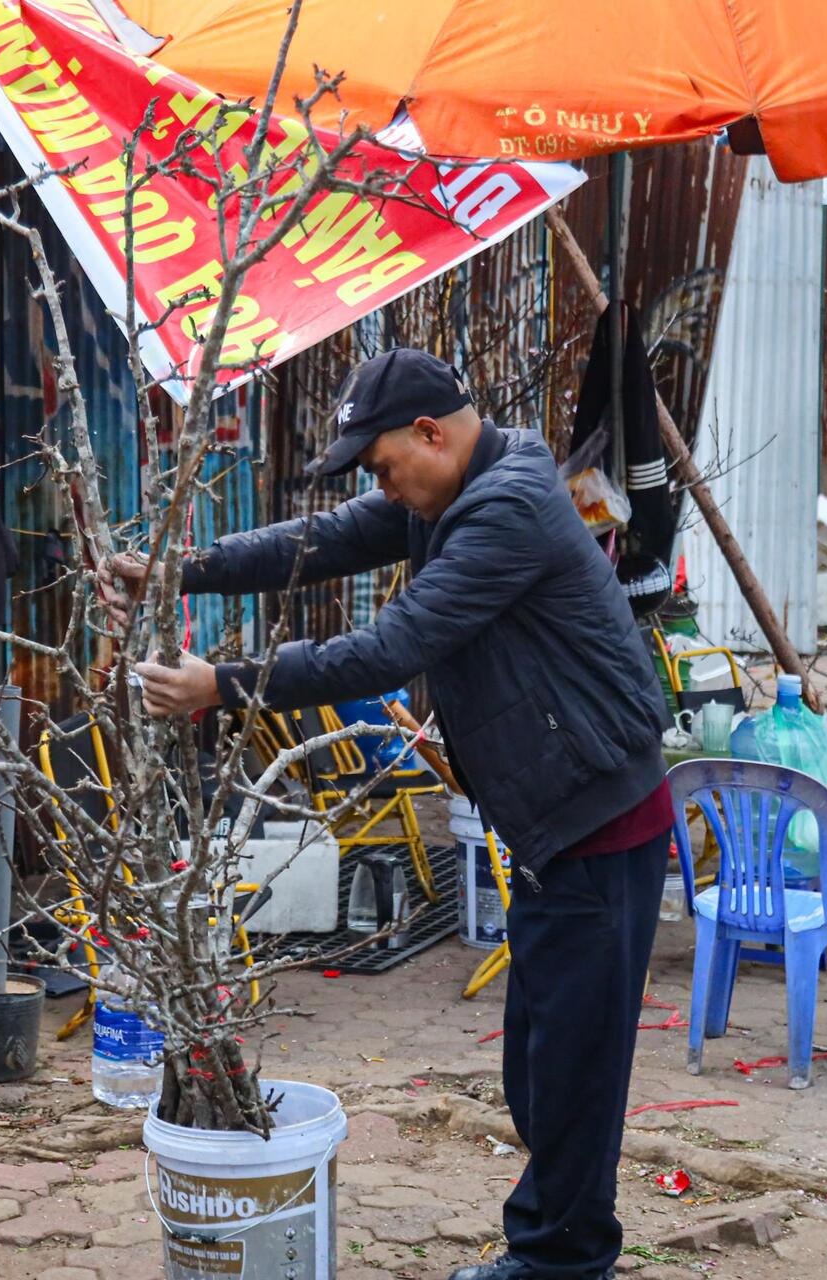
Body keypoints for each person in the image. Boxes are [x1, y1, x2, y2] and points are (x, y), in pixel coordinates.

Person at [108, 348, 673, 1280]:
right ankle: (558, 1247)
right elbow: (315, 543)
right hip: (553, 822)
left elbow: (389, 647)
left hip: (597, 821)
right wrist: (178, 569)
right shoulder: (452, 489)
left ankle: (562, 1263)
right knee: (541, 1066)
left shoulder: (506, 510)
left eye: (380, 467)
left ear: (430, 433)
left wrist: (224, 685)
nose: (382, 487)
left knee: (573, 1071)